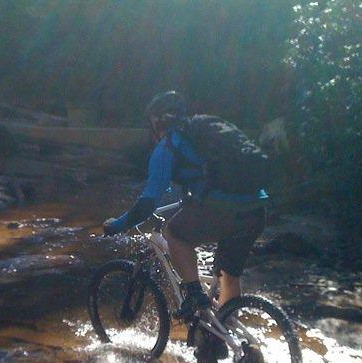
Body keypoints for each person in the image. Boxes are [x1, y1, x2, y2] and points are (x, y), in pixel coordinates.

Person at [103, 90, 267, 320]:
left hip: (223, 209)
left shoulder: (167, 146)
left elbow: (148, 203)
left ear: (155, 121)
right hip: (255, 208)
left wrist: (117, 225)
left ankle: (193, 293)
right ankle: (226, 335)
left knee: (174, 232)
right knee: (228, 274)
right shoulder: (205, 134)